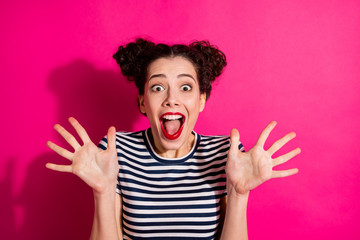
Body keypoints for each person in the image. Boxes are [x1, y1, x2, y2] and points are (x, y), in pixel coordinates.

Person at [46, 38, 301, 240]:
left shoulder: (226, 153)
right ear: (142, 102)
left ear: (201, 100)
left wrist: (237, 193)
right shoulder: (116, 151)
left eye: (186, 87)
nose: (171, 98)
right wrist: (102, 192)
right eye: (158, 87)